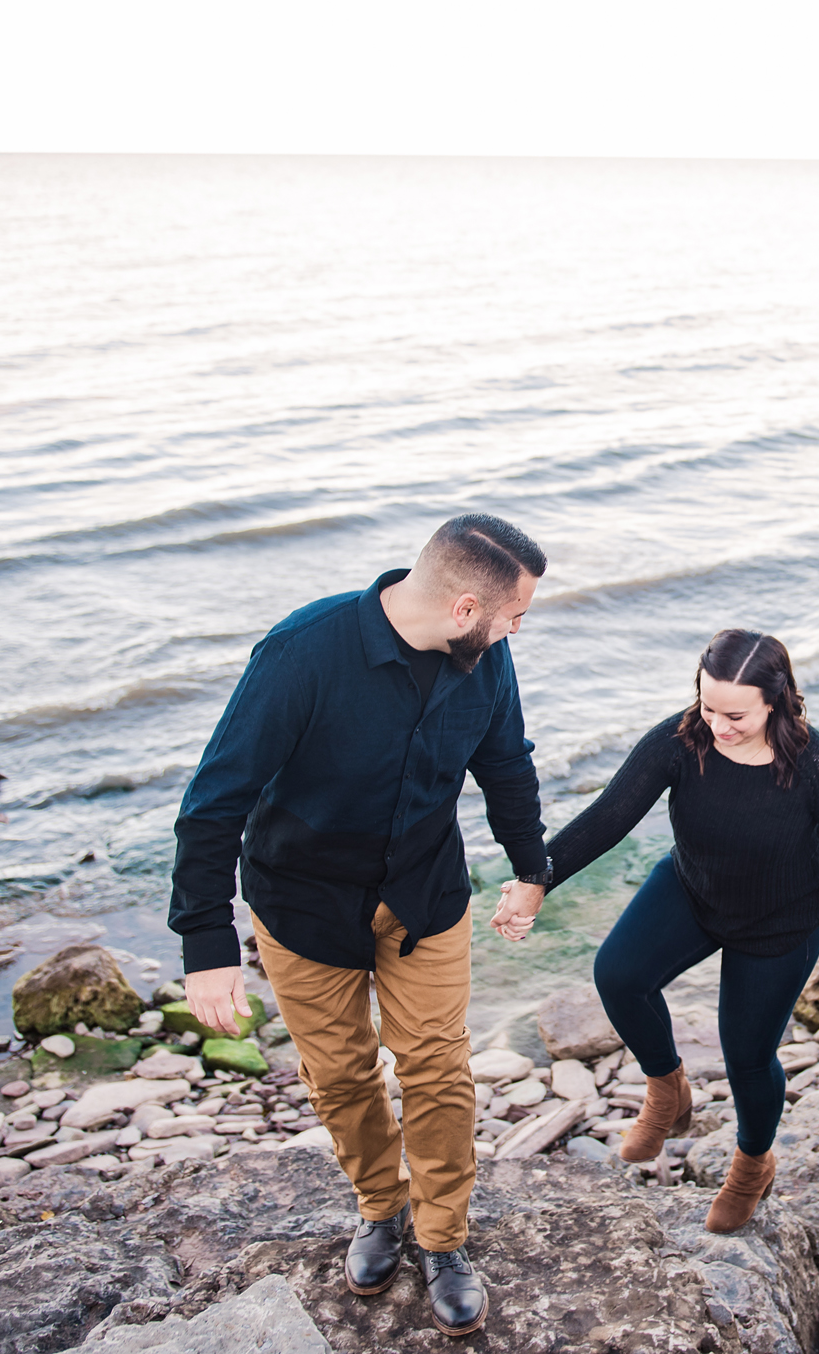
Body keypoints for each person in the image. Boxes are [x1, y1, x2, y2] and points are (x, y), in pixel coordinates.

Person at [168, 514, 552, 1339]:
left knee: (437, 1065)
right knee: (340, 1072)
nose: (520, 627)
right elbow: (214, 800)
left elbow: (506, 761)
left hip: (424, 894)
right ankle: (381, 1207)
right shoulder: (303, 653)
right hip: (304, 904)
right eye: (514, 612)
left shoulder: (482, 657)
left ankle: (443, 1239)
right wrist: (206, 943)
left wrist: (530, 868)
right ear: (462, 607)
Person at [489, 629, 819, 1232]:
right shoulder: (680, 740)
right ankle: (667, 1090)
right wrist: (535, 879)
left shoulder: (816, 765)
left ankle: (751, 1166)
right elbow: (608, 817)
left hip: (780, 923)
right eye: (709, 707)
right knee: (619, 975)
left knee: (747, 1057)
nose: (718, 724)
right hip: (692, 889)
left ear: (776, 701)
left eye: (735, 714)